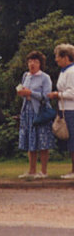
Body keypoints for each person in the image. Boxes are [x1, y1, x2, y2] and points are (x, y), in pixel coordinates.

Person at [16, 50, 54, 178]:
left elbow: (46, 97)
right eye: (30, 61)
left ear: (40, 64)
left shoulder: (45, 78)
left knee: (42, 141)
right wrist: (22, 94)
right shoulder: (26, 76)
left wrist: (30, 93)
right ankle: (31, 170)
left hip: (40, 112)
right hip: (27, 110)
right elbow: (24, 92)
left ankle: (44, 171)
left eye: (36, 62)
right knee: (30, 140)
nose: (32, 64)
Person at [47, 43, 74, 179]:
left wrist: (57, 95)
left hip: (71, 110)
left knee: (73, 140)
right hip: (64, 109)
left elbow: (73, 93)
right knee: (70, 140)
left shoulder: (72, 72)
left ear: (65, 57)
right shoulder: (64, 72)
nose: (56, 59)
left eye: (58, 56)